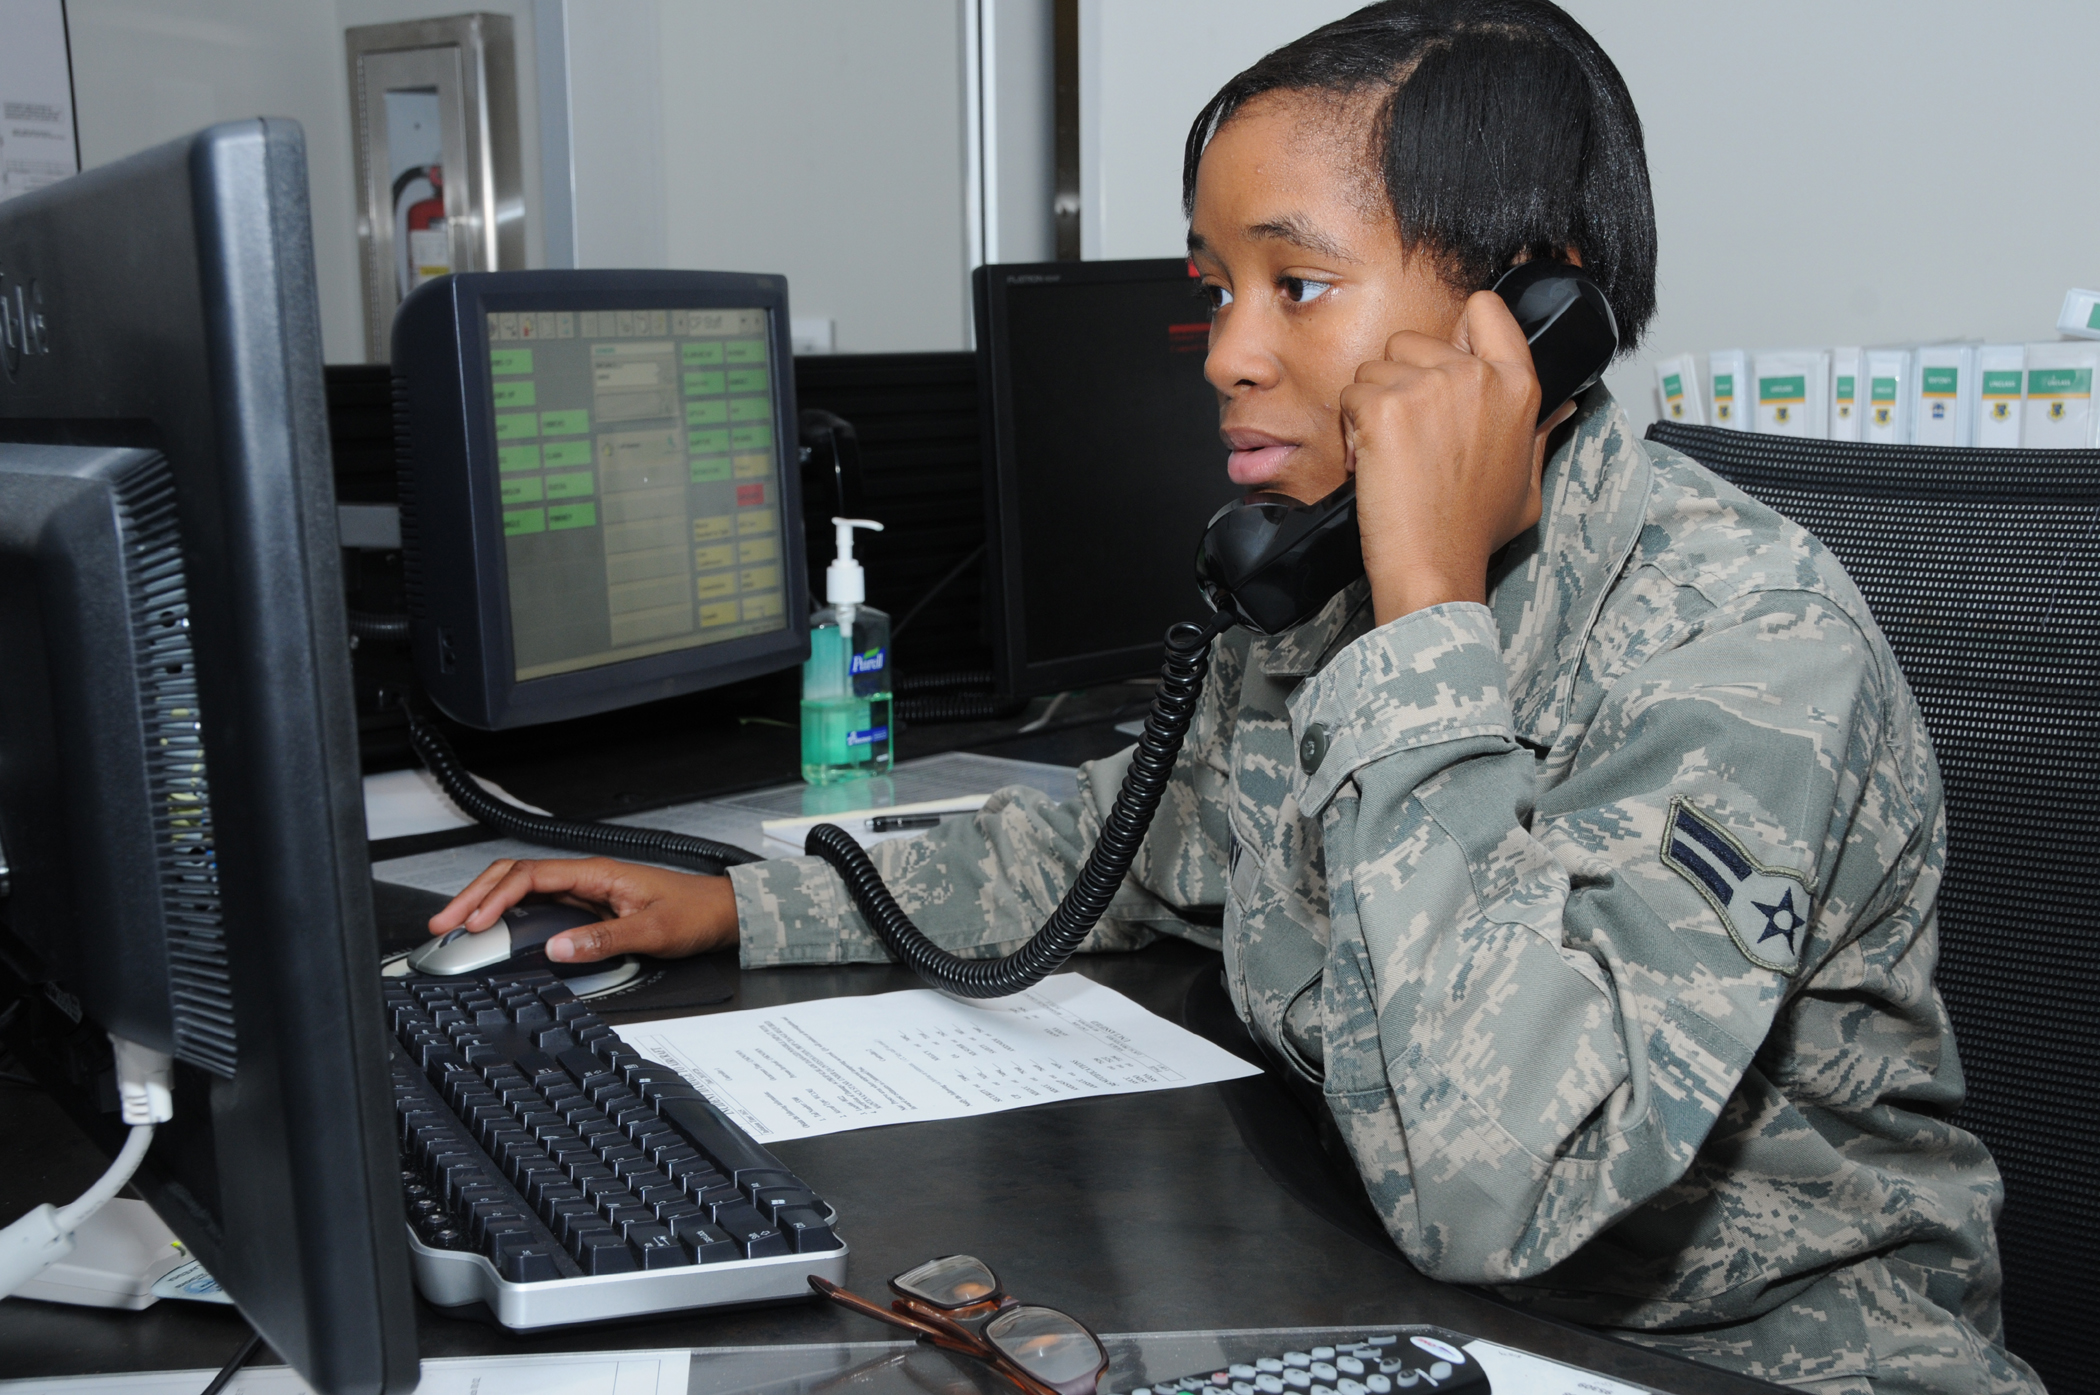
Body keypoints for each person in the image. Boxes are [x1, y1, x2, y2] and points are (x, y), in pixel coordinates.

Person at [429, 4, 2039, 1391]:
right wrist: (750, 906)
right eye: (1217, 287)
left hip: (1747, 1358)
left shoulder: (1743, 641)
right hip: (1406, 1304)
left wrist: (1426, 617)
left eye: (1298, 284)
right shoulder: (1321, 594)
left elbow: (1505, 1180)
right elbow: (1120, 853)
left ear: (1528, 318)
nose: (1224, 353)